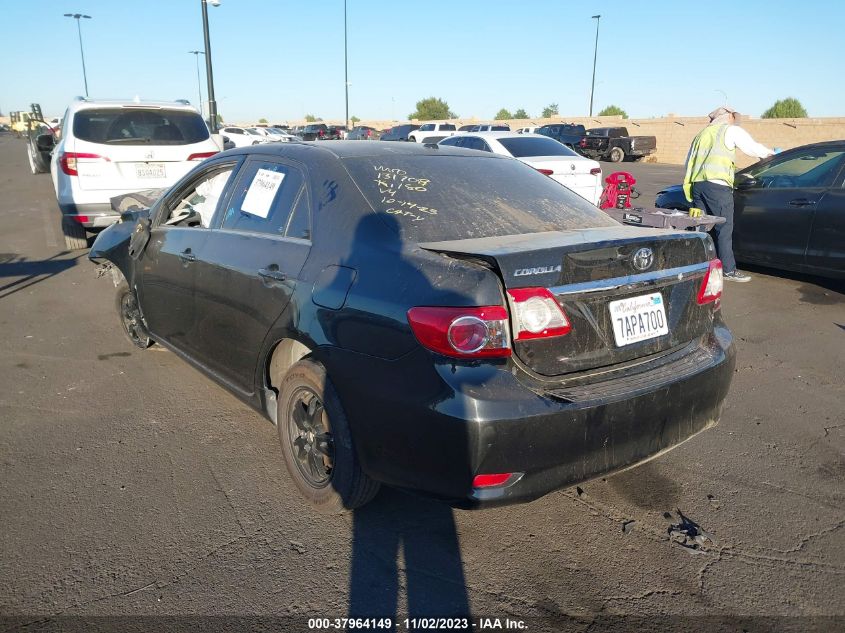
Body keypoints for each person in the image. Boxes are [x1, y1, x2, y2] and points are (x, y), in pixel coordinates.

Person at [683, 106, 774, 282]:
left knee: (702, 228)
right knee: (723, 229)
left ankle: (700, 267)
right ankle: (728, 270)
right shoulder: (729, 130)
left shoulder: (701, 135)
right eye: (734, 117)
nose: (736, 120)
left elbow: (689, 162)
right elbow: (752, 148)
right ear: (728, 117)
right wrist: (771, 154)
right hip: (717, 187)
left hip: (697, 186)